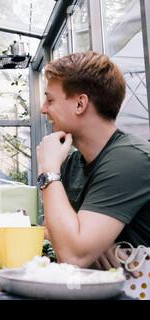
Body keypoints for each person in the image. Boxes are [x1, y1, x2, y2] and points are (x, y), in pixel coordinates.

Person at [37, 51, 150, 270]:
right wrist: (89, 242)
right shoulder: (71, 163)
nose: (43, 109)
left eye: (50, 100)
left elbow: (72, 256)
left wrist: (48, 170)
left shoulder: (130, 160)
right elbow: (51, 232)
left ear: (80, 104)